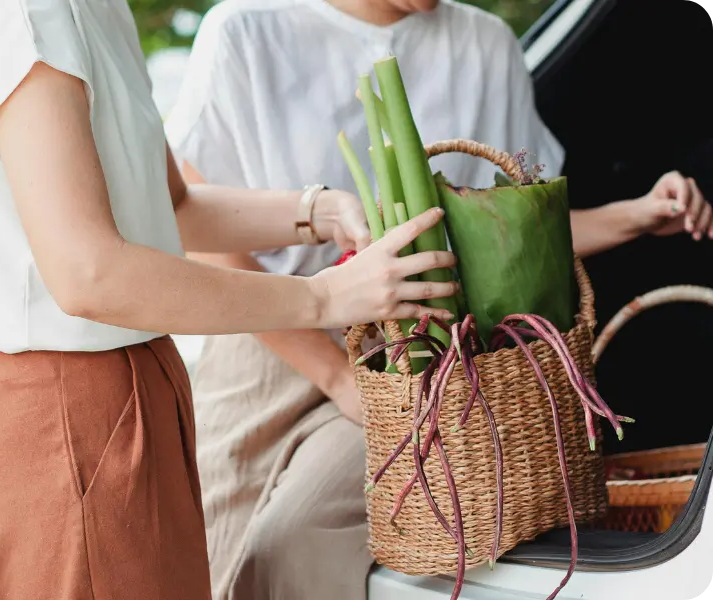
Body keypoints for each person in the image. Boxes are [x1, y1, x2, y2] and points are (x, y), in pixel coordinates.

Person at [164, 0, 713, 598]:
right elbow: (203, 235)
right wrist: (333, 374)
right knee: (211, 559)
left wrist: (636, 215)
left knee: (292, 546)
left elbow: (514, 232)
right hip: (266, 347)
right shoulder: (246, 30)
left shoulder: (485, 43)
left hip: (426, 363)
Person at [0, 1, 462, 599]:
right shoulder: (21, 11)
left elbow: (170, 208)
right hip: (64, 414)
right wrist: (322, 296)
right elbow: (88, 273)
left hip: (137, 391)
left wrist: (318, 211)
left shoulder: (98, 9)